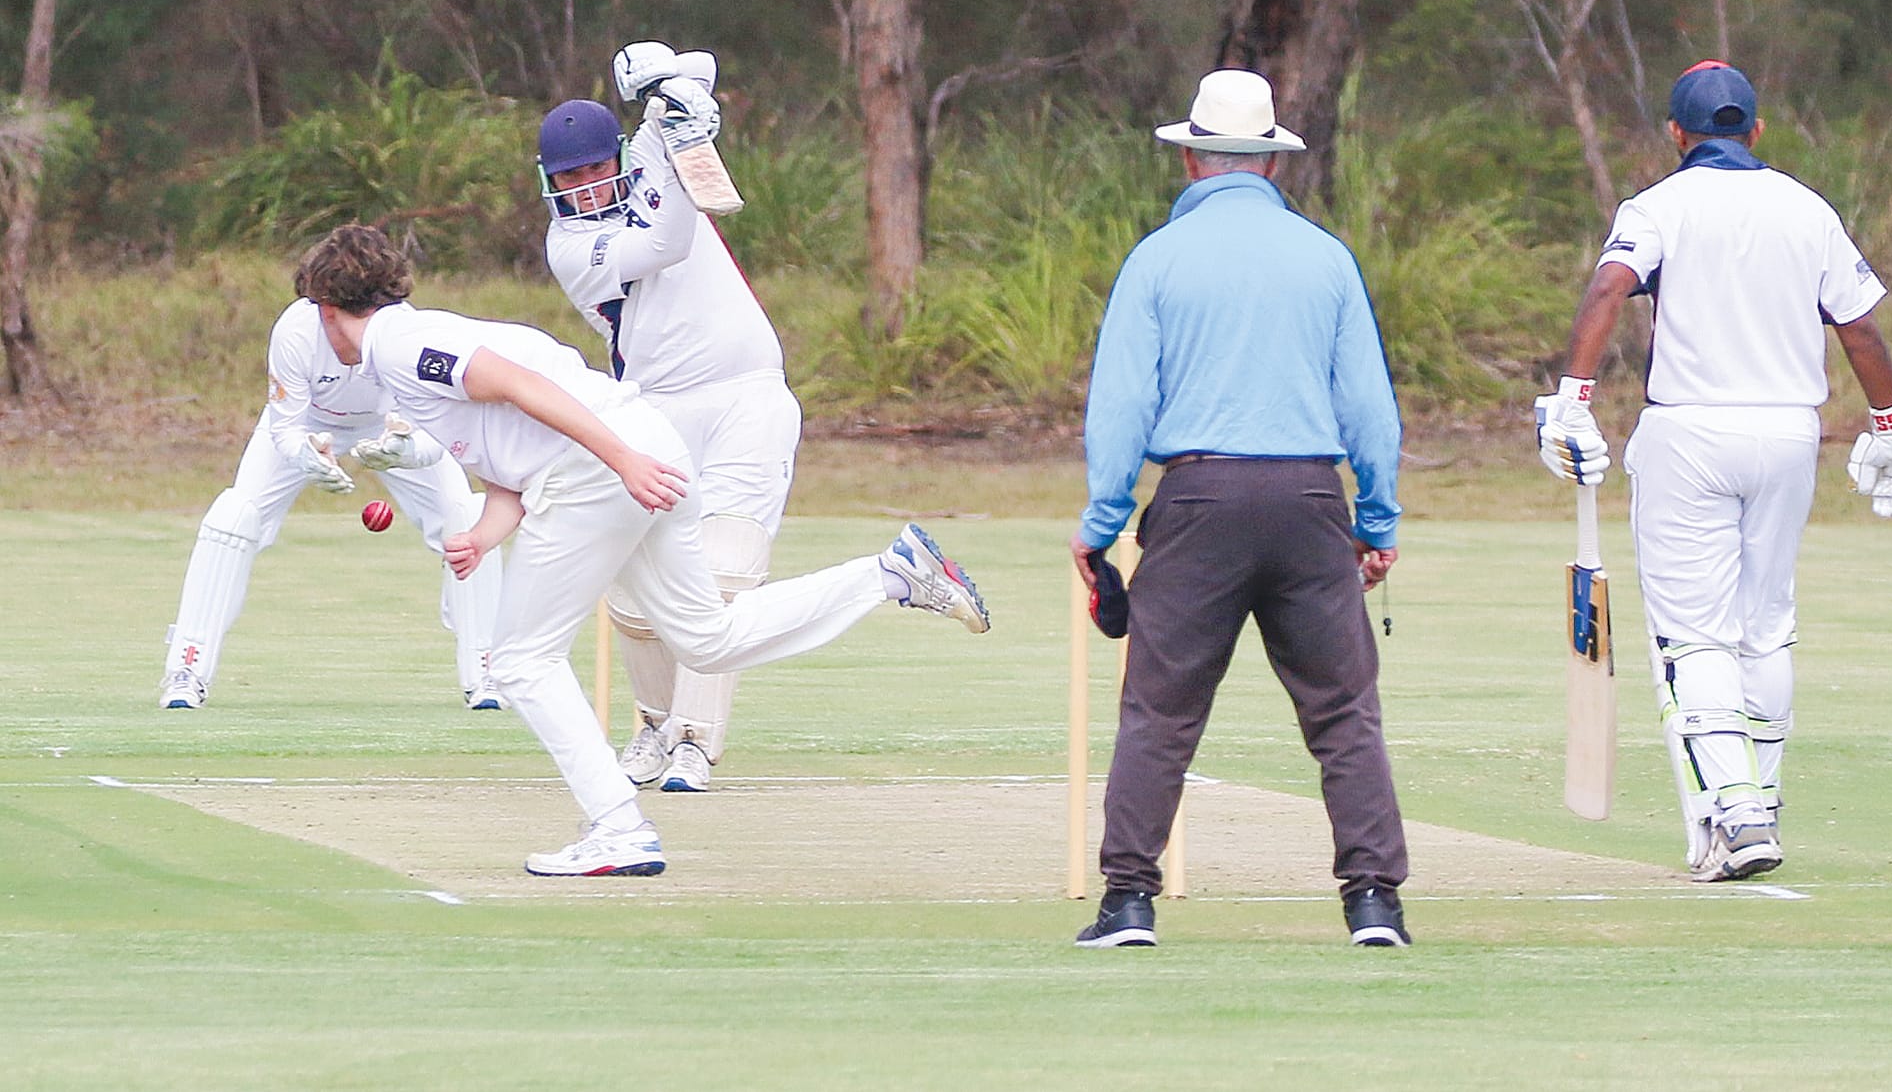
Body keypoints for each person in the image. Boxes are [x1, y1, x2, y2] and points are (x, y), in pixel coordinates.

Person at [293, 223, 990, 877]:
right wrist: (482, 535)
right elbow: (508, 467)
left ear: (329, 310)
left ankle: (618, 827)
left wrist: (621, 460)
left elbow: (521, 387)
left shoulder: (398, 345)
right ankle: (890, 574)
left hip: (607, 463)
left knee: (521, 659)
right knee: (707, 638)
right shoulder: (413, 345)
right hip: (642, 444)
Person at [1536, 61, 1892, 883]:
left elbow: (1613, 283)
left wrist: (1572, 400)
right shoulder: (1807, 208)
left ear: (1677, 134)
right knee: (1765, 624)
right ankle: (1760, 802)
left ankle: (1739, 812)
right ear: (1755, 131)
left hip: (1690, 432)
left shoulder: (1657, 206)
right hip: (1790, 433)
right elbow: (1858, 328)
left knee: (1696, 633)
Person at [1069, 68, 1410, 950]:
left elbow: (1120, 408)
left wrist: (1102, 523)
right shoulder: (1326, 256)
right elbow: (1370, 410)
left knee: (1160, 710)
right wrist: (1376, 522)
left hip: (1197, 495)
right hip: (1307, 498)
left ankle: (1128, 902)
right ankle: (1374, 899)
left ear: (1190, 157)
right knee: (1342, 711)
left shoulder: (1156, 258)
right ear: (1269, 162)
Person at [538, 41, 799, 795]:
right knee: (634, 592)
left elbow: (705, 65)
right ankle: (654, 723)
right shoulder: (572, 245)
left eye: (593, 168)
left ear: (614, 156)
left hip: (749, 391)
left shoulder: (650, 149)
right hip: (654, 407)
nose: (584, 186)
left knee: (724, 575)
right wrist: (676, 143)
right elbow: (667, 239)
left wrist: (675, 96)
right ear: (550, 184)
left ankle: (695, 740)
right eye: (567, 177)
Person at [159, 293, 502, 710]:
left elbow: (436, 433)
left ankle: (487, 671)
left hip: (392, 428)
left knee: (465, 515)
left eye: (365, 316)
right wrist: (305, 454)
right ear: (324, 310)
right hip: (309, 423)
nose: (354, 333)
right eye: (339, 318)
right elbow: (284, 426)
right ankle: (186, 668)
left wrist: (404, 452)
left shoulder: (407, 331)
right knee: (234, 518)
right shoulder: (296, 330)